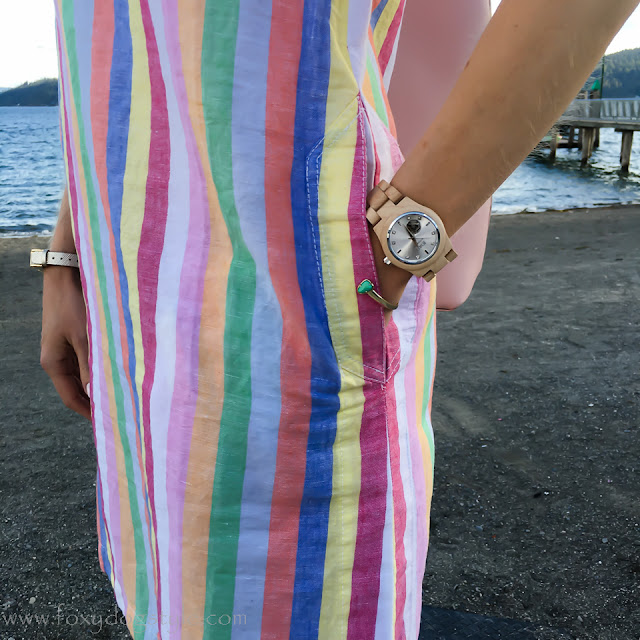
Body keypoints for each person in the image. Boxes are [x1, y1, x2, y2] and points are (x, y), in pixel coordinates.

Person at [37, 1, 639, 638]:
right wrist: (66, 250)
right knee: (166, 582)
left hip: (287, 317)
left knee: (286, 601)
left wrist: (407, 228)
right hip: (131, 296)